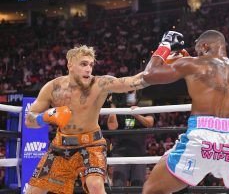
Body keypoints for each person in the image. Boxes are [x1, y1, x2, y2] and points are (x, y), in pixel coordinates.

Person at [141, 30, 229, 194]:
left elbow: (149, 74)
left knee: (151, 190)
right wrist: (188, 62)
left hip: (201, 139)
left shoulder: (192, 64)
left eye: (198, 50)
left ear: (205, 45)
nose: (197, 54)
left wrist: (165, 45)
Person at [24, 45, 149, 194]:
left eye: (91, 65)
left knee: (95, 185)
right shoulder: (52, 88)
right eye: (83, 64)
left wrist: (160, 56)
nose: (88, 69)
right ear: (70, 65)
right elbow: (29, 119)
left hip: (92, 145)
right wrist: (43, 117)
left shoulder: (100, 84)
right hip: (61, 147)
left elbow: (134, 81)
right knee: (34, 191)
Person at [107, 91, 154, 188]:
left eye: (132, 91)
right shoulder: (119, 108)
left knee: (138, 187)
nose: (129, 93)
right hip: (120, 154)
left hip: (139, 153)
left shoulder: (143, 106)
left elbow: (150, 123)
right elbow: (112, 127)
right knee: (118, 187)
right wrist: (113, 104)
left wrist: (137, 114)